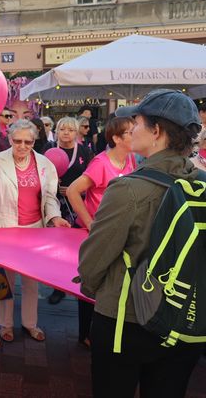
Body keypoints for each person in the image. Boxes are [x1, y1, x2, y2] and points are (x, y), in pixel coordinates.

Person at [79, 90, 205, 397]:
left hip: (127, 318)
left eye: (137, 122)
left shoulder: (127, 189)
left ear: (157, 131)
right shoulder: (201, 183)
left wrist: (92, 288)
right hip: (184, 318)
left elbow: (92, 262)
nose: (131, 128)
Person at [0, 119, 70, 343]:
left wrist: (55, 217)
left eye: (27, 142)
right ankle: (5, 324)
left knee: (31, 282)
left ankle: (31, 323)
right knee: (5, 281)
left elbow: (49, 197)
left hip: (34, 230)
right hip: (5, 229)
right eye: (17, 141)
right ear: (9, 139)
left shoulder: (45, 164)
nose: (22, 146)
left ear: (34, 141)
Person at [66, 116, 136, 348]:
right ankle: (86, 334)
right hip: (98, 234)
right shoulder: (100, 163)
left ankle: (103, 330)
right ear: (116, 138)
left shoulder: (132, 159)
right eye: (130, 132)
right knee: (91, 280)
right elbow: (73, 191)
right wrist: (90, 224)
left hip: (119, 233)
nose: (135, 134)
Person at [46, 116, 92, 305]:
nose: (66, 133)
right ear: (57, 131)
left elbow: (90, 176)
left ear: (76, 132)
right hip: (55, 203)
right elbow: (41, 172)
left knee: (78, 245)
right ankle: (58, 286)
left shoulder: (84, 151)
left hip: (77, 204)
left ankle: (78, 279)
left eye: (71, 130)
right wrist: (54, 185)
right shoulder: (48, 149)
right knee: (57, 246)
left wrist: (75, 188)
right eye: (63, 129)